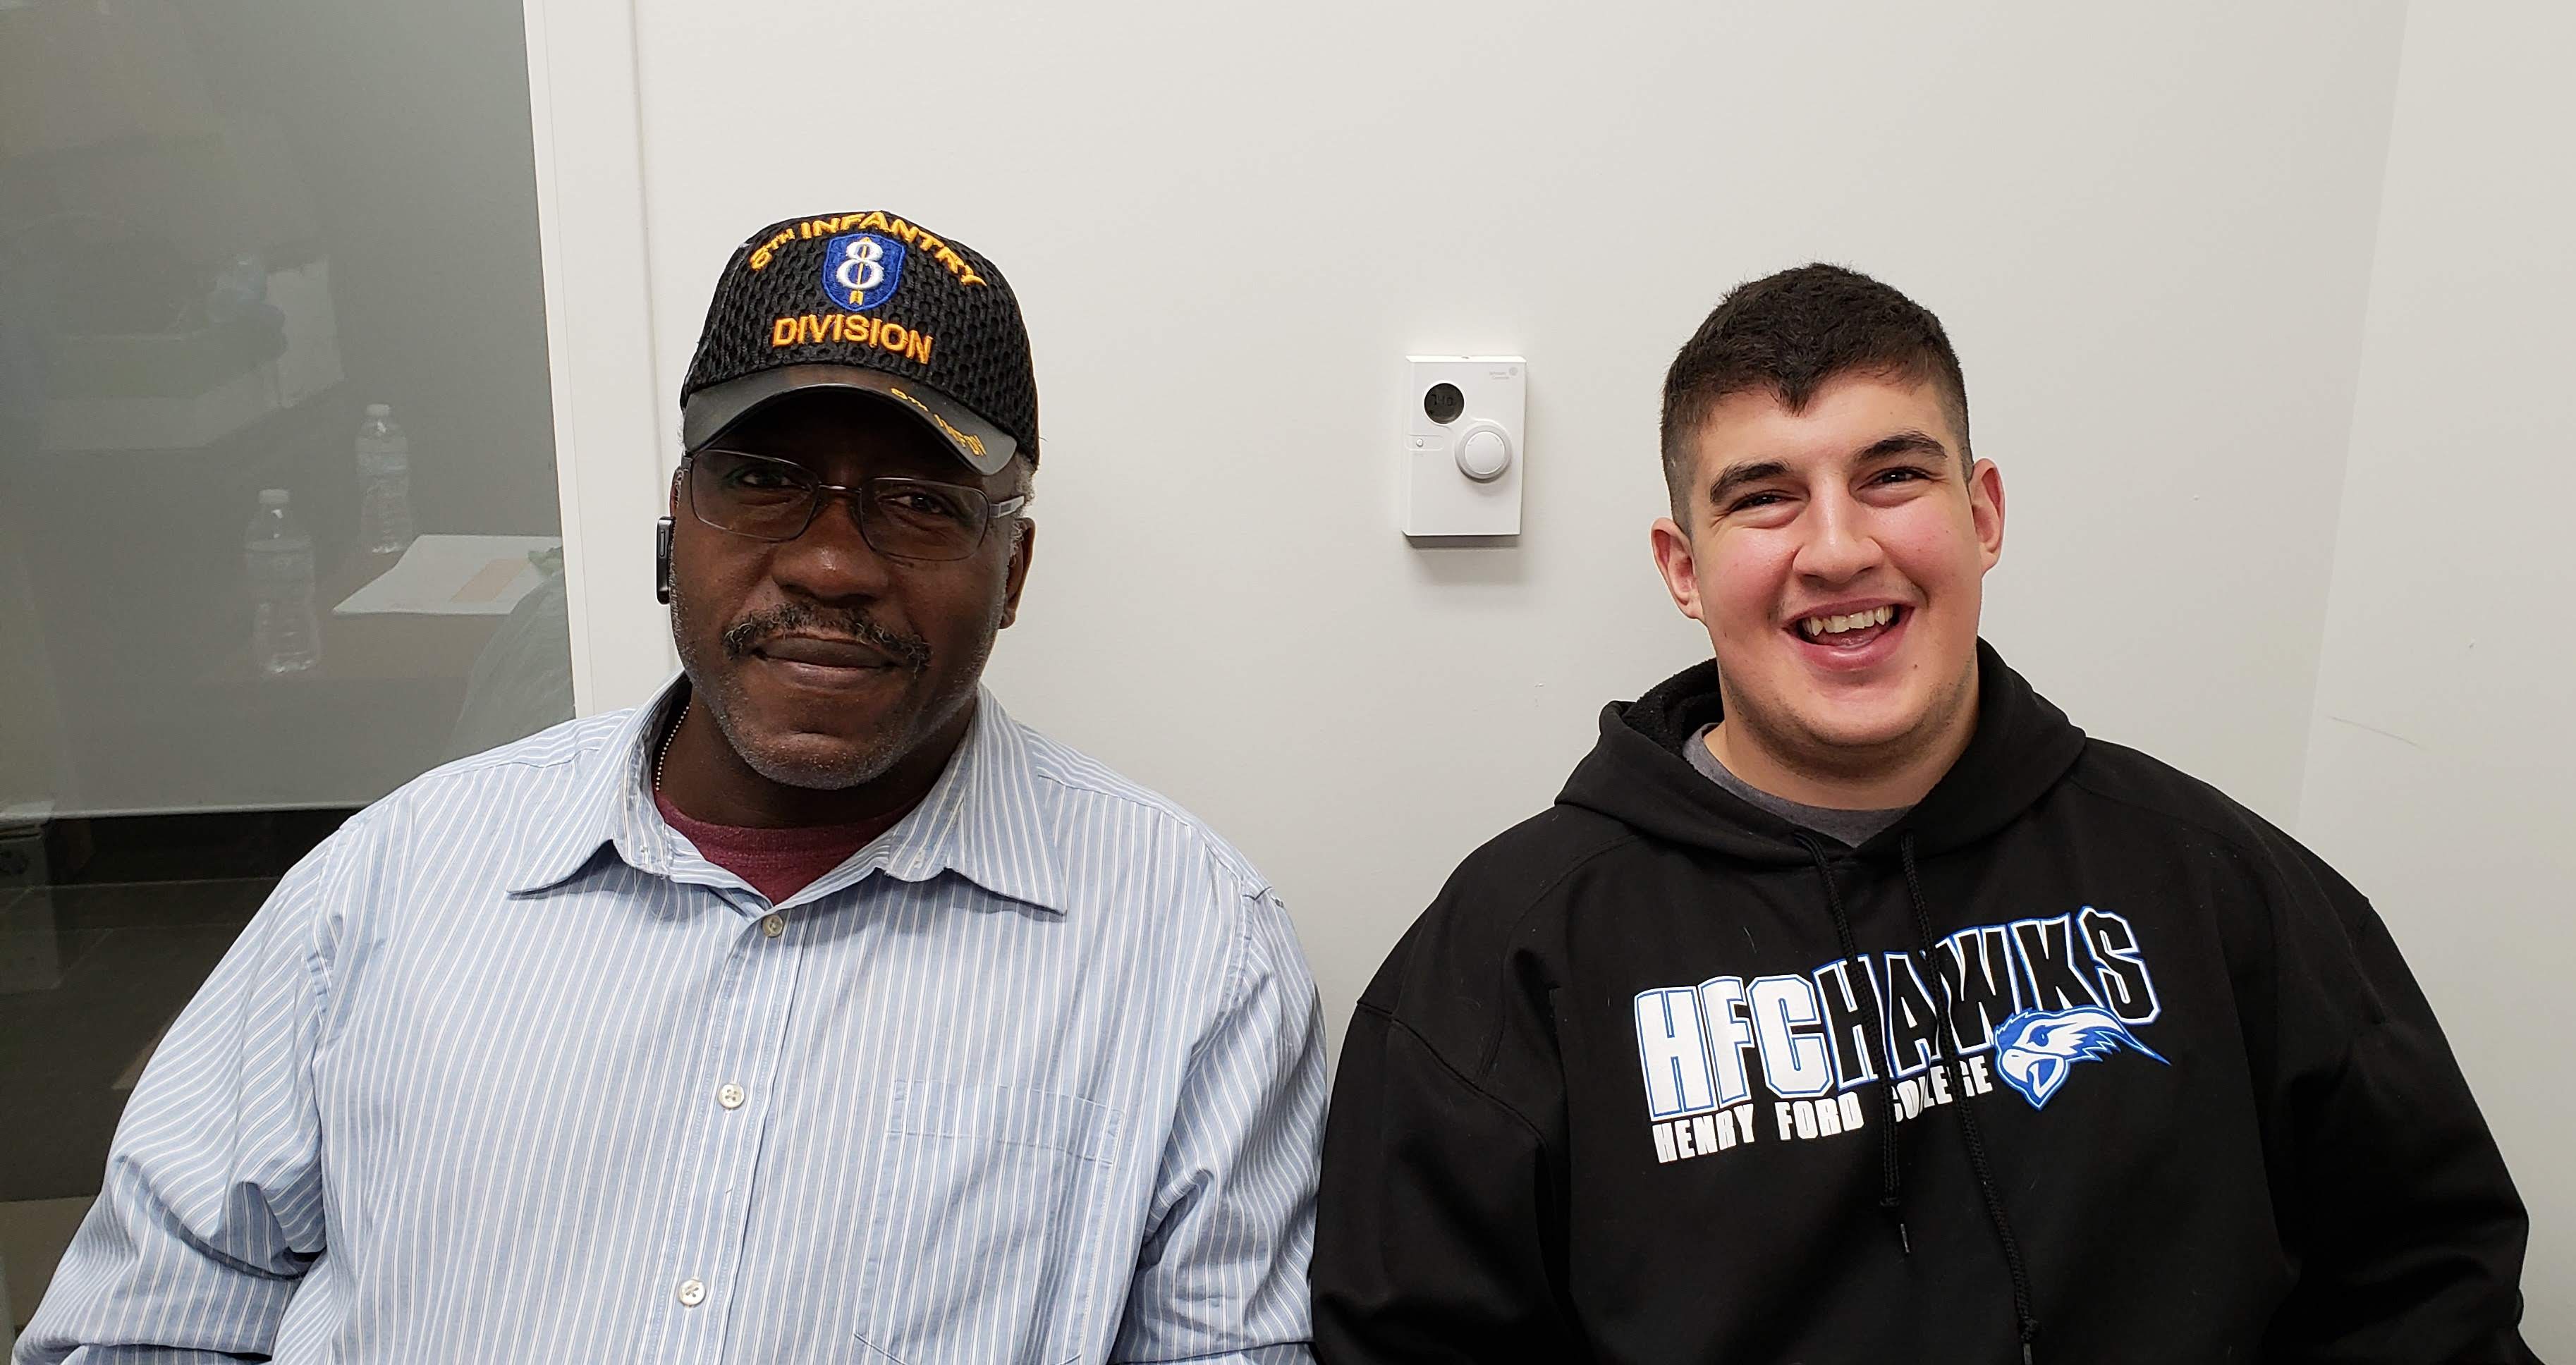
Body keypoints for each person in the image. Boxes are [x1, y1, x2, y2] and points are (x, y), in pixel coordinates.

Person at [22, 210, 1327, 1364]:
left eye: (919, 503)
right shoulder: (395, 881)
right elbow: (151, 1323)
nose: (828, 564)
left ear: (1015, 570)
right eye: (760, 483)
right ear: (672, 528)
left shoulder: (1191, 949)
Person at [1309, 265, 2537, 1363]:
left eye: (1893, 476)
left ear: (1982, 514)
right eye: (1764, 497)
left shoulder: (2218, 884)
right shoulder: (1508, 960)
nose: (1838, 549)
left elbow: (2428, 1290)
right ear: (1682, 571)